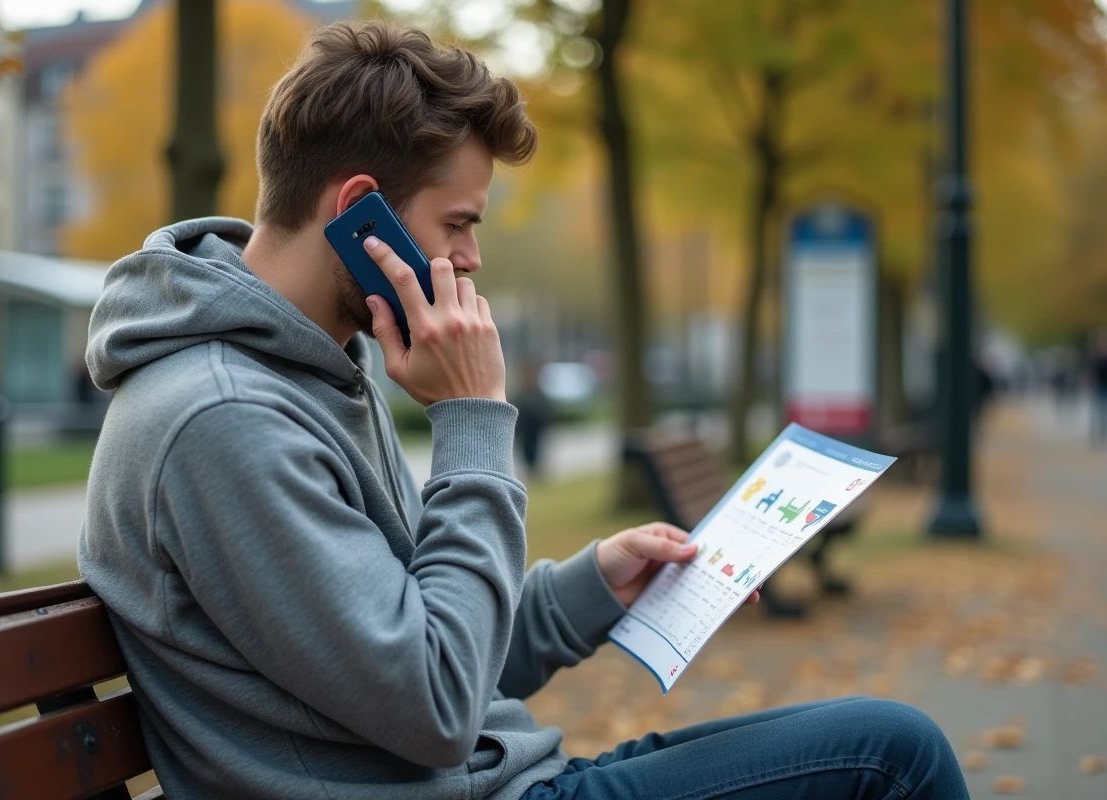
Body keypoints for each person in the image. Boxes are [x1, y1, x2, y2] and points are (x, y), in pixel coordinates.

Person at [79, 21, 968, 800]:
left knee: (876, 741)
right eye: (459, 223)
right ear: (360, 212)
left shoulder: (316, 370)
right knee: (893, 755)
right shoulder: (224, 418)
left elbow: (422, 652)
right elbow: (432, 703)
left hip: (508, 778)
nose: (469, 259)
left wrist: (587, 589)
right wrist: (472, 420)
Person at [511, 359, 552, 480]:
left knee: (536, 449)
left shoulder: (537, 391)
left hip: (536, 427)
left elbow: (545, 408)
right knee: (527, 450)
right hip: (525, 429)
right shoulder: (522, 393)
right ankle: (531, 470)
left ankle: (535, 470)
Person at [1092, 331, 1107, 446]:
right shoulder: (1096, 358)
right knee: (1098, 410)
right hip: (1099, 387)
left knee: (1103, 411)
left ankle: (1102, 430)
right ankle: (1097, 432)